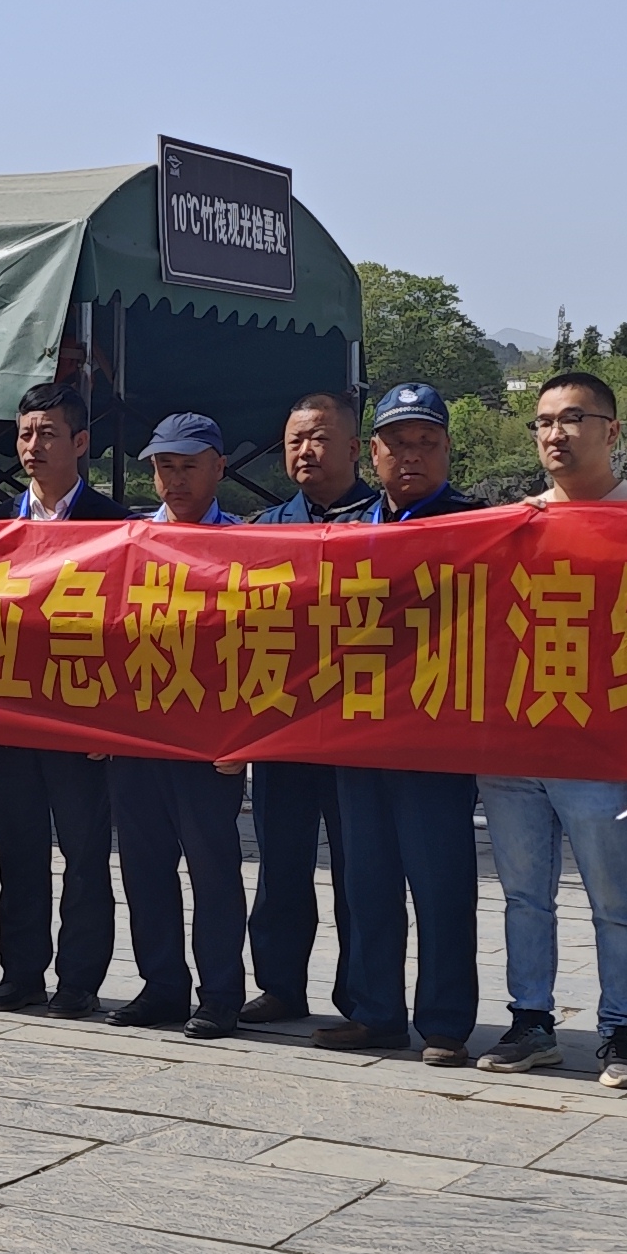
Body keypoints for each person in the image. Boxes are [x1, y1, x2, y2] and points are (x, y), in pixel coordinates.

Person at [477, 368, 627, 1087]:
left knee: (614, 896)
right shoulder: (516, 522)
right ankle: (532, 1020)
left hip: (601, 748)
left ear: (611, 431)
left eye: (573, 419)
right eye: (545, 421)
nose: (556, 433)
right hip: (516, 742)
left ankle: (621, 1030)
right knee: (525, 895)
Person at [322, 383, 489, 1062]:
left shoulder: (478, 526)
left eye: (426, 442)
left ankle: (445, 1022)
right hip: (357, 730)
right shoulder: (345, 528)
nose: (411, 455)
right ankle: (374, 1011)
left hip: (436, 736)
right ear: (373, 452)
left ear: (447, 449)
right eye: (398, 443)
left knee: (441, 883)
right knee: (365, 881)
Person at [0, 380, 120, 1020]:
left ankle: (80, 979)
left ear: (81, 442)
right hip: (11, 711)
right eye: (25, 434)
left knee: (85, 854)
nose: (33, 446)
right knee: (18, 850)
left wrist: (110, 722)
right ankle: (20, 972)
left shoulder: (115, 524)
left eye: (48, 434)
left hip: (80, 716)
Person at [107, 414, 248, 1037]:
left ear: (219, 467)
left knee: (213, 867)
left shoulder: (251, 545)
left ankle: (220, 993)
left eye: (189, 466)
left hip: (210, 738)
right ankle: (161, 985)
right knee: (143, 865)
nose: (176, 479)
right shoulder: (127, 540)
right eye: (165, 466)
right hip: (138, 730)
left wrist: (248, 735)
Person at [240, 387, 371, 1021]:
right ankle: (279, 984)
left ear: (354, 447)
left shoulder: (387, 523)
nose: (305, 451)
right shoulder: (265, 529)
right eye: (295, 440)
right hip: (284, 723)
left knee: (360, 868)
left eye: (319, 438)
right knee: (281, 862)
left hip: (360, 724)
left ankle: (362, 993)